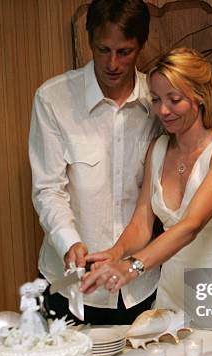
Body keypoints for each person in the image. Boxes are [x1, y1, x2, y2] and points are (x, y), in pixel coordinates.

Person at [80, 48, 212, 314]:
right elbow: (141, 223)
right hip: (173, 291)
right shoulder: (157, 149)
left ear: (200, 97)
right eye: (156, 99)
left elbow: (191, 226)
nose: (164, 110)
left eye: (174, 99)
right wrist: (116, 253)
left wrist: (132, 266)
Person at [28, 0, 160, 324]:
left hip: (140, 286)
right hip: (70, 285)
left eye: (124, 52)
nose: (112, 63)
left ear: (141, 46)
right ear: (90, 41)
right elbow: (48, 189)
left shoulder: (159, 103)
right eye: (103, 50)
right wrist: (69, 242)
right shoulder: (53, 99)